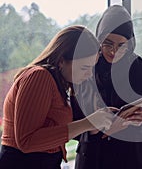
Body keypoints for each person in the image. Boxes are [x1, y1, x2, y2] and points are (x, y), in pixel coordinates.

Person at [0, 25, 114, 169]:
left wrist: (94, 126)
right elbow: (27, 141)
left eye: (92, 68)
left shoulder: (56, 82)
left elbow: (53, 132)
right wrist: (87, 123)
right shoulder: (39, 76)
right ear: (61, 61)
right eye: (84, 68)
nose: (89, 74)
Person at [73, 5, 142, 169]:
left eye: (121, 45)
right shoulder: (85, 66)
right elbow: (72, 120)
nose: (113, 51)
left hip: (132, 158)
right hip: (93, 157)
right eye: (107, 44)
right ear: (99, 40)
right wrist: (94, 128)